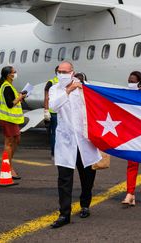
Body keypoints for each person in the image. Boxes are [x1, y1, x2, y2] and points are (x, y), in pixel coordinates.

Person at [49, 61, 102, 228]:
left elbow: (97, 106)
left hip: (84, 141)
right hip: (66, 142)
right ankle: (64, 214)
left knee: (87, 177)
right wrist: (68, 90)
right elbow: (53, 106)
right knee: (64, 178)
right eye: (60, 71)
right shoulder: (55, 89)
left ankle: (85, 203)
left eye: (66, 71)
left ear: (73, 72)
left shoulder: (84, 89)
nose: (62, 74)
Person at [122, 71, 141, 205]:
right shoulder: (125, 94)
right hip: (131, 135)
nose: (131, 83)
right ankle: (130, 193)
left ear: (140, 82)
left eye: (133, 81)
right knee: (132, 164)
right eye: (129, 81)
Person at [0, 66, 26, 179]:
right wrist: (19, 98)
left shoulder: (9, 86)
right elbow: (9, 104)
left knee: (16, 140)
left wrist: (19, 97)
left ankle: (8, 164)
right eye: (14, 72)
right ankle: (8, 167)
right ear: (9, 74)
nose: (15, 73)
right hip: (7, 119)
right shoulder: (6, 87)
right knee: (9, 143)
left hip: (12, 119)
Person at [44, 66, 59, 159]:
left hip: (60, 112)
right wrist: (46, 110)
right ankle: (54, 153)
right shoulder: (51, 82)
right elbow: (46, 97)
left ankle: (56, 153)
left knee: (56, 133)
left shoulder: (51, 82)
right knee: (55, 133)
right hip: (55, 113)